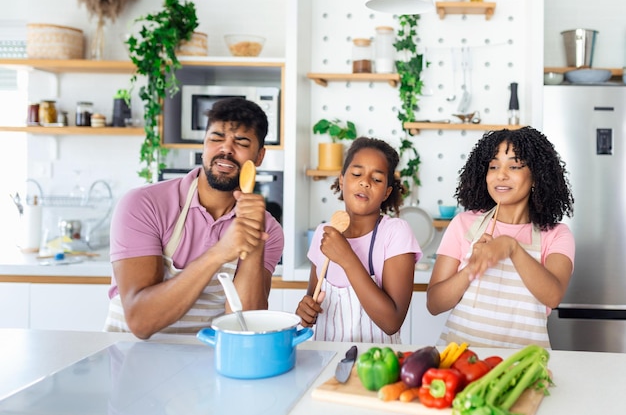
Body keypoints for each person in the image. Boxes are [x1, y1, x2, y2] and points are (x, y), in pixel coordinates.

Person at [104, 98, 284, 339]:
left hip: (208, 364)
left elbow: (246, 327)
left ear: (259, 156)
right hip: (130, 359)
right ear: (203, 145)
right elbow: (141, 321)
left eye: (241, 142)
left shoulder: (268, 229)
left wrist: (252, 238)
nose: (226, 149)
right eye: (216, 138)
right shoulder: (144, 204)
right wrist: (221, 252)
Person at [427, 127, 575, 348]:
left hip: (522, 365)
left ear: (536, 176)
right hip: (461, 362)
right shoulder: (464, 224)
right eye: (493, 166)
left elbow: (553, 296)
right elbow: (434, 304)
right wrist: (470, 268)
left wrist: (511, 247)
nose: (500, 175)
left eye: (514, 166)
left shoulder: (556, 234)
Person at [296, 137, 422, 343]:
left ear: (386, 192)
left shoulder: (395, 232)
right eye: (356, 174)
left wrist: (347, 257)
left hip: (377, 367)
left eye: (377, 179)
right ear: (342, 180)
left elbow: (392, 322)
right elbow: (313, 298)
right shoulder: (323, 234)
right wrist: (305, 310)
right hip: (326, 363)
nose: (365, 182)